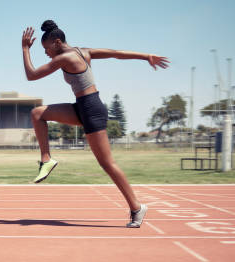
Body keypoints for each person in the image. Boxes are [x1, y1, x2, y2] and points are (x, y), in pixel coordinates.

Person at [22, 20, 169, 228]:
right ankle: (46, 159)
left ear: (56, 42)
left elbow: (31, 75)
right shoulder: (83, 51)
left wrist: (25, 49)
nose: (46, 53)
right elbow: (116, 53)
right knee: (37, 113)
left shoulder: (66, 58)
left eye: (46, 49)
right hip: (83, 106)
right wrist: (146, 57)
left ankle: (137, 207)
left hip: (91, 109)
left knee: (107, 163)